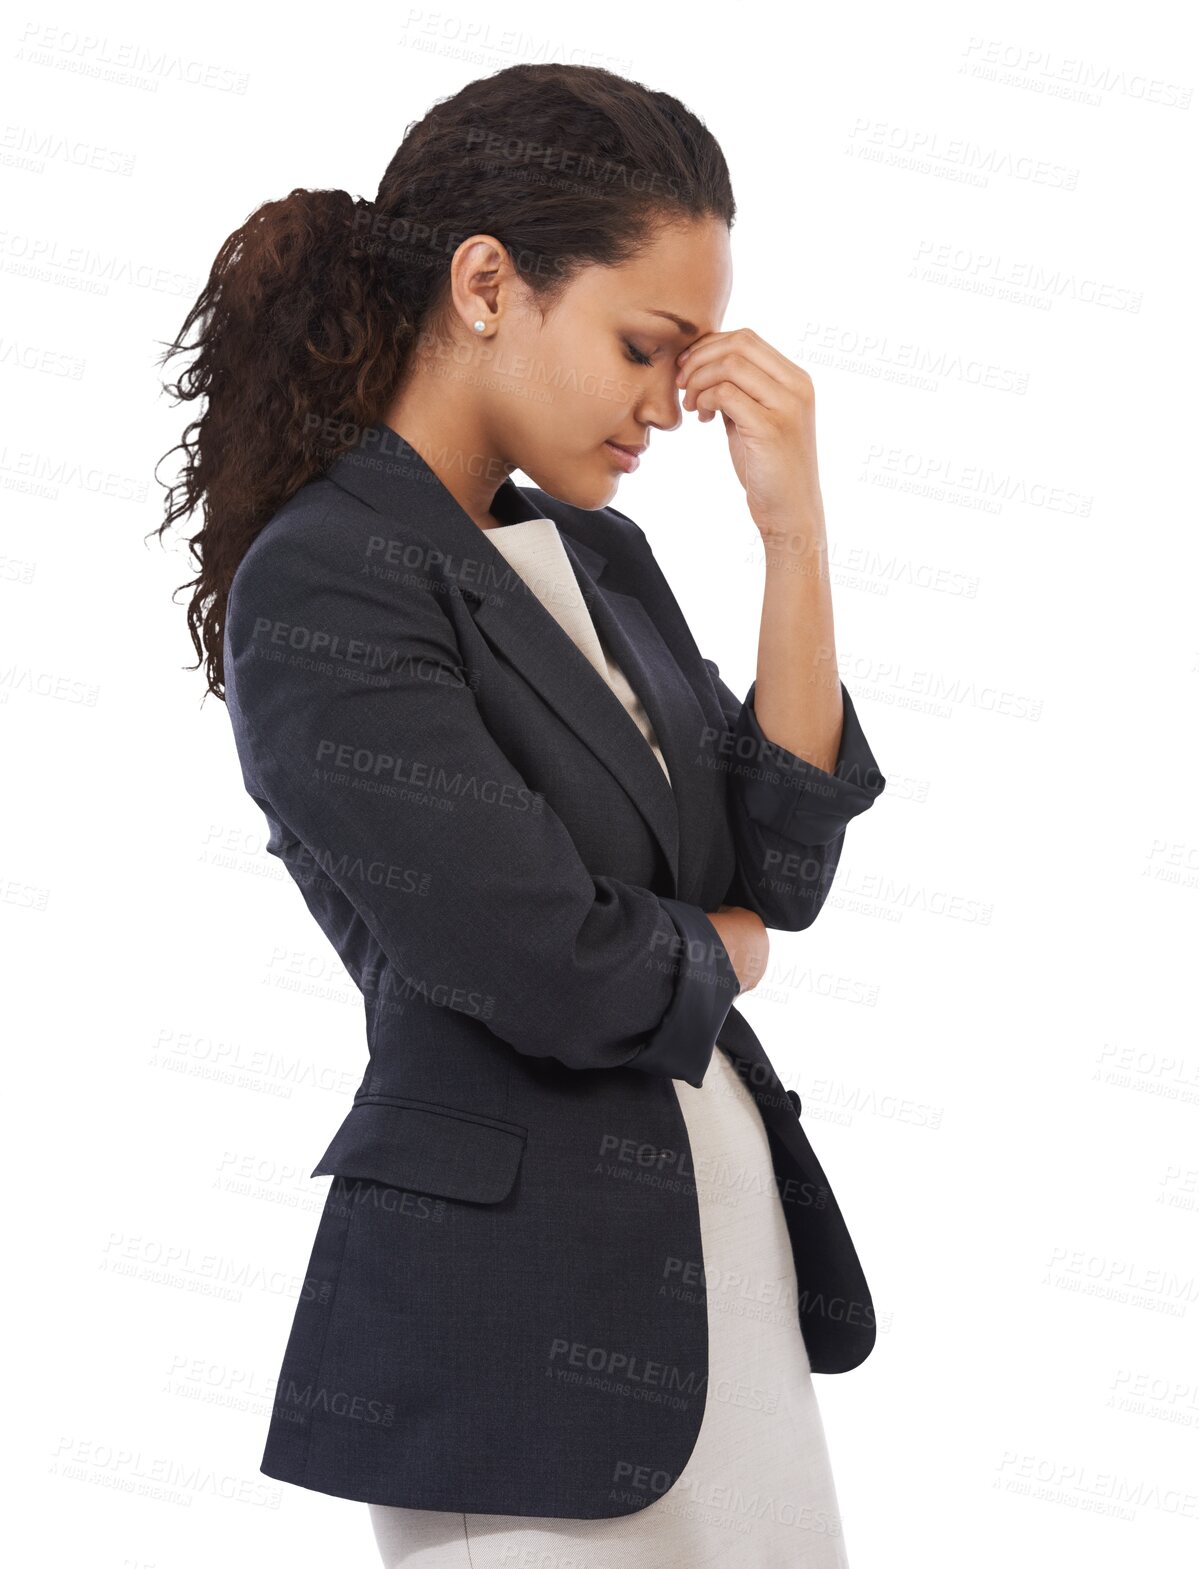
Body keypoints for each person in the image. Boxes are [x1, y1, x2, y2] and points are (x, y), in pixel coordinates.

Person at [155, 60, 886, 1568]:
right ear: (486, 283)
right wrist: (730, 949)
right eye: (643, 345)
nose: (667, 406)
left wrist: (792, 533)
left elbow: (782, 860)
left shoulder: (596, 560)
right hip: (517, 1334)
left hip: (716, 1290)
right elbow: (549, 961)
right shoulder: (328, 578)